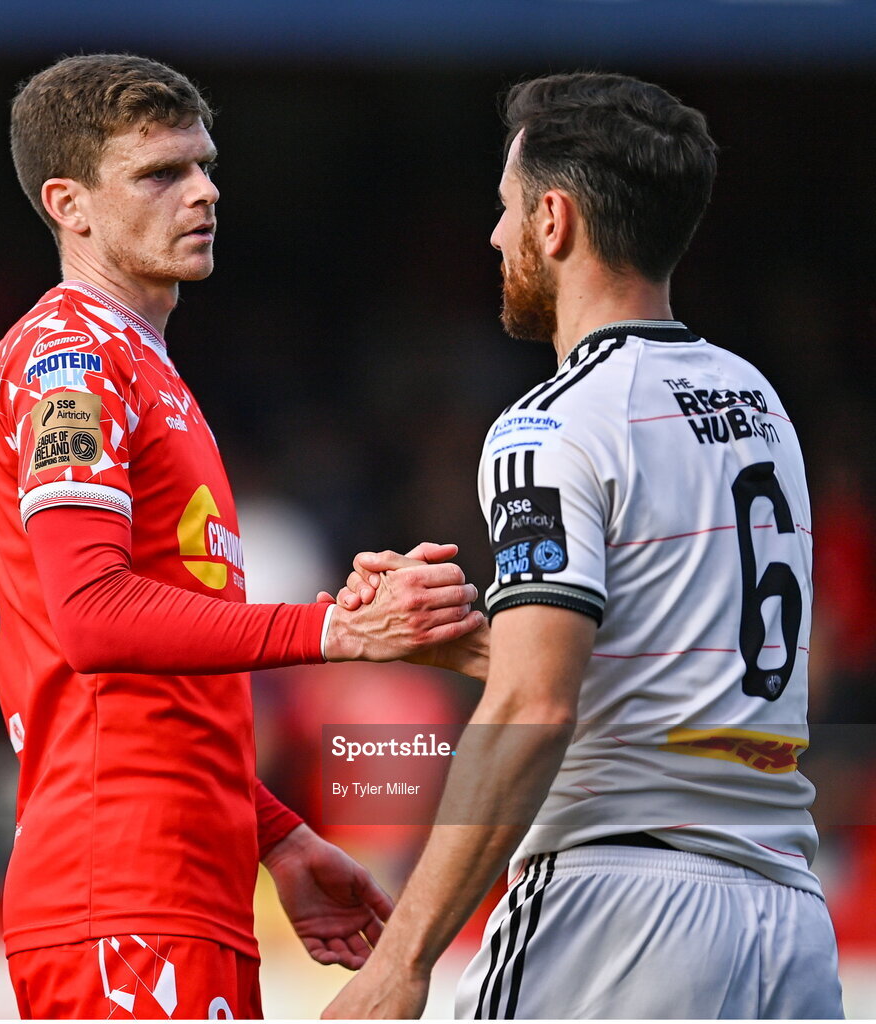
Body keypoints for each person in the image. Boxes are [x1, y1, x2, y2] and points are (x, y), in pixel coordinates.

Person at [0, 53, 485, 1020]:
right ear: (68, 204)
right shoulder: (73, 360)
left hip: (175, 888)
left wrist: (276, 833)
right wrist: (334, 631)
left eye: (205, 165)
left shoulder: (140, 366)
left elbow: (155, 688)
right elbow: (92, 619)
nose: (203, 191)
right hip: (119, 891)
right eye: (160, 174)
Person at [324, 71, 844, 1019]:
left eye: (504, 209)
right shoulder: (760, 404)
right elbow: (682, 674)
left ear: (553, 220)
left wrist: (400, 963)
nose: (493, 237)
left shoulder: (548, 427)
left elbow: (536, 703)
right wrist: (465, 642)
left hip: (618, 911)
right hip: (787, 923)